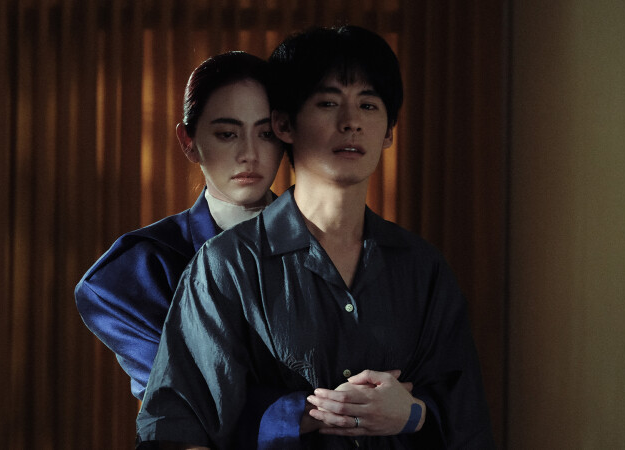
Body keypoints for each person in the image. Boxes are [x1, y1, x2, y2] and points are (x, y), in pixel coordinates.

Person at [136, 26, 495, 449]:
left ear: (388, 132)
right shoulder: (226, 265)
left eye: (368, 105)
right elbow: (176, 426)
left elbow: (467, 417)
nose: (351, 122)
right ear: (284, 124)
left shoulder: (422, 266)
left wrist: (413, 414)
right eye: (328, 103)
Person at [74, 51, 283, 400]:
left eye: (266, 134)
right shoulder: (138, 270)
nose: (249, 153)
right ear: (189, 142)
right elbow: (188, 399)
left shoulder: (334, 243)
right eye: (227, 134)